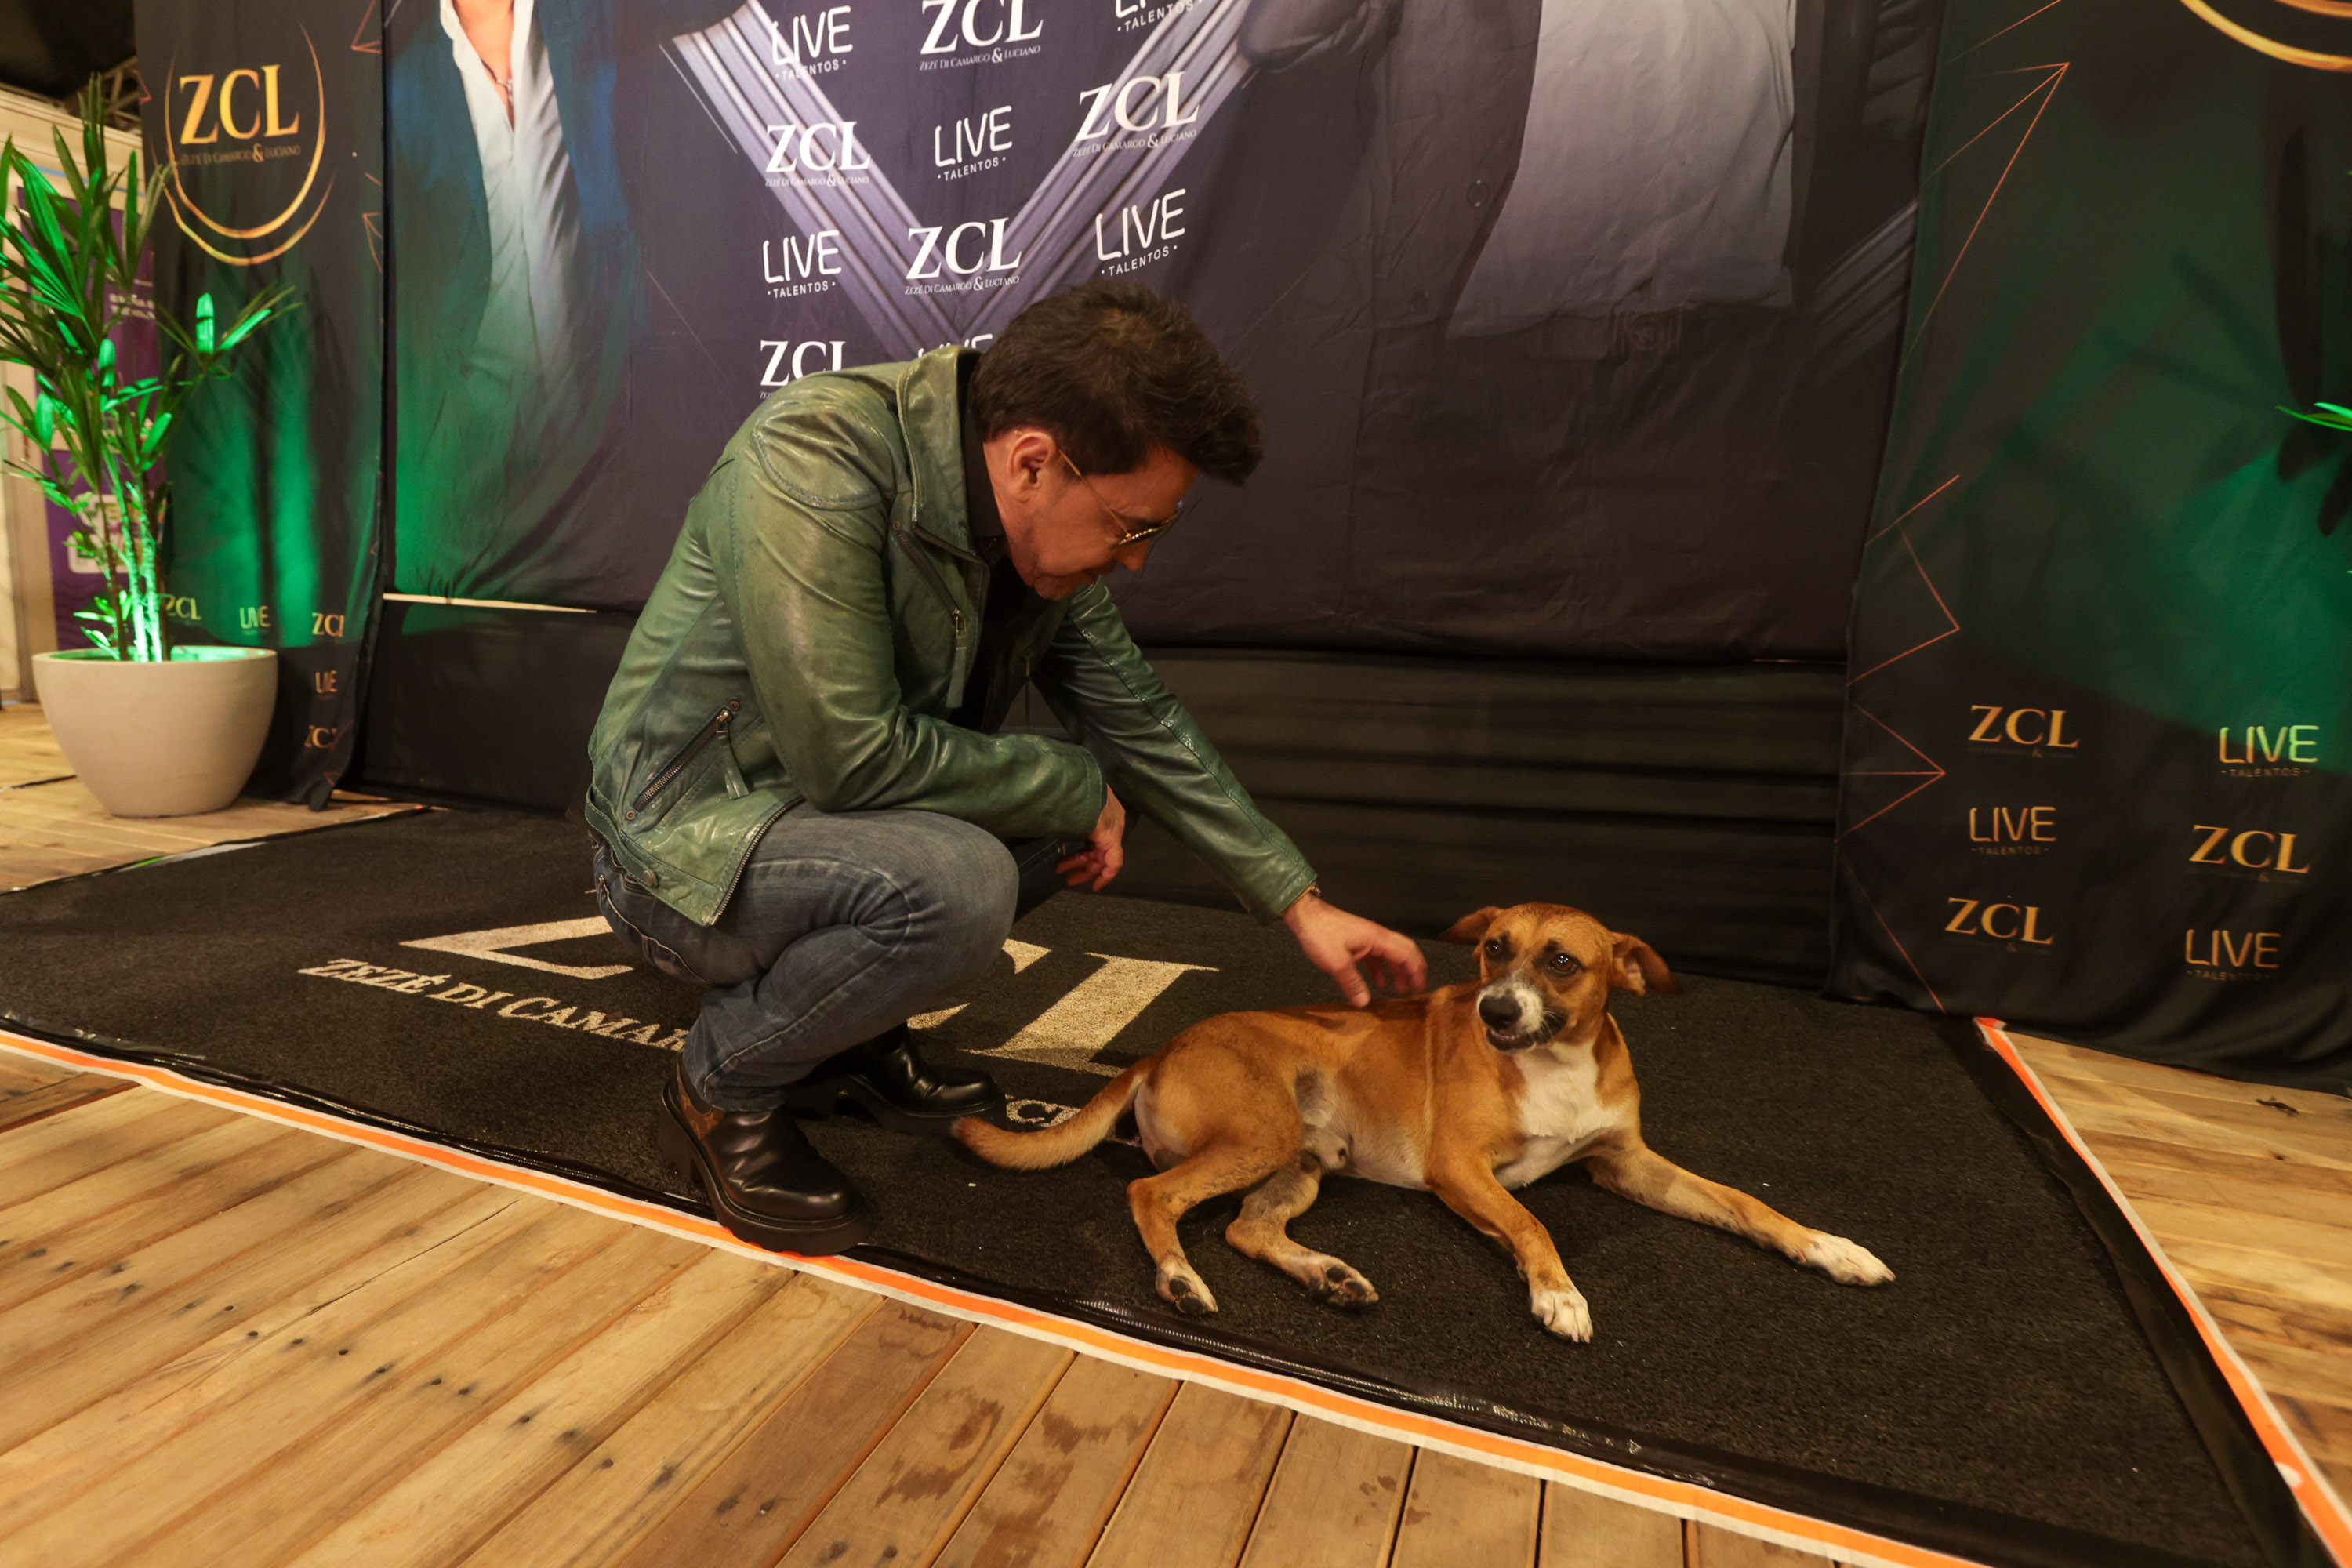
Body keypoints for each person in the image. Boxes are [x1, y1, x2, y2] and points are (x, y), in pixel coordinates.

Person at [586, 282, 1428, 1255]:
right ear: (1035, 461)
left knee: (1080, 813)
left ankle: (841, 1041)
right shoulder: (811, 457)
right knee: (963, 879)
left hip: (807, 828)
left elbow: (1142, 721)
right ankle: (716, 1083)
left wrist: (1298, 901)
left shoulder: (1033, 541)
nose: (1139, 561)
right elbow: (848, 754)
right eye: (1132, 526)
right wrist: (1075, 780)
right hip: (674, 847)